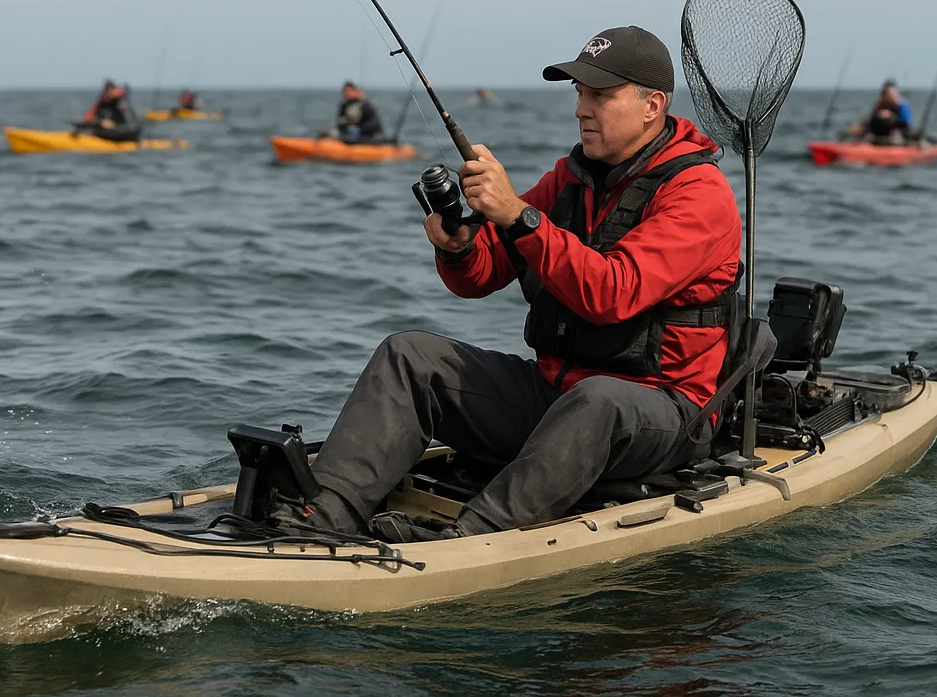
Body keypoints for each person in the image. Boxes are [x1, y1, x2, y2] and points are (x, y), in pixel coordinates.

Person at [287, 26, 742, 543]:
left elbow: (612, 293)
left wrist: (519, 216)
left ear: (652, 106)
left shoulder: (698, 194)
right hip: (558, 395)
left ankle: (467, 542)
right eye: (578, 93)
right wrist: (458, 246)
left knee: (598, 400)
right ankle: (318, 520)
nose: (581, 109)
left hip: (664, 413)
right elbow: (482, 275)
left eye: (600, 95)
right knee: (408, 355)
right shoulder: (570, 178)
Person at [74, 80, 141, 143]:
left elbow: (131, 127)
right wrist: (98, 122)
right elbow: (96, 118)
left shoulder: (122, 103)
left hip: (125, 133)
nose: (108, 95)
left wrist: (114, 126)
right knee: (88, 127)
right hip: (107, 130)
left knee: (94, 131)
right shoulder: (104, 102)